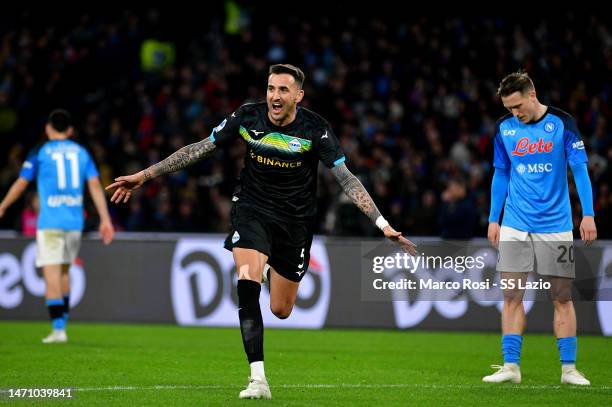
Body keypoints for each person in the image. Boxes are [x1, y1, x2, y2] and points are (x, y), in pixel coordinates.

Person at [106, 64, 417, 399]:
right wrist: (146, 175)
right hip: (251, 211)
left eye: (283, 90)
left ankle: (268, 266)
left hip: (294, 223)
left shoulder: (316, 130)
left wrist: (382, 224)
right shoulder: (247, 117)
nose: (275, 96)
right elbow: (200, 147)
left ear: (298, 95)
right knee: (246, 282)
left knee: (281, 309)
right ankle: (258, 379)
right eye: (270, 88)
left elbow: (346, 179)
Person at [483, 71, 596, 385]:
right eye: (508, 108)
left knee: (561, 297)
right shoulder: (504, 129)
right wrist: (494, 218)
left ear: (531, 94)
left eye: (517, 105)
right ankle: (511, 367)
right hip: (515, 223)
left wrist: (588, 213)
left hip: (555, 224)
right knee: (511, 295)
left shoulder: (562, 123)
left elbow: (580, 171)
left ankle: (569, 369)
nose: (514, 113)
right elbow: (501, 174)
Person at [0, 109, 114, 343]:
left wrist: (2, 205)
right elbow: (94, 186)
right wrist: (105, 219)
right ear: (70, 130)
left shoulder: (40, 151)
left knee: (51, 273)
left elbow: (22, 184)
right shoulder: (82, 153)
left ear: (48, 129)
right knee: (64, 272)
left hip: (50, 221)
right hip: (74, 222)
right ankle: (62, 325)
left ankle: (58, 329)